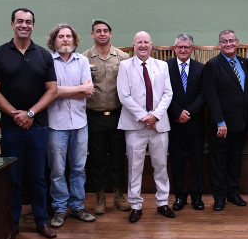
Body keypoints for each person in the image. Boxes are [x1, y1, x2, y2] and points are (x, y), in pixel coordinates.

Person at [0, 8, 58, 239]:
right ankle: (13, 221)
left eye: (28, 22)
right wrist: (16, 114)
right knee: (13, 177)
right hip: (10, 127)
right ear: (12, 24)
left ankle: (41, 220)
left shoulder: (44, 55)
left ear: (33, 26)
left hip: (37, 126)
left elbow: (52, 90)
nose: (24, 25)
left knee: (38, 176)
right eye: (20, 21)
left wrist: (30, 113)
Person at [117, 31, 175, 222]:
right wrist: (144, 116)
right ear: (134, 45)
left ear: (151, 45)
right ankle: (135, 205)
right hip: (135, 125)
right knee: (135, 167)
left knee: (161, 165)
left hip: (159, 125)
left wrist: (155, 116)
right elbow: (124, 95)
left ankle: (162, 202)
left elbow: (168, 93)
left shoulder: (162, 65)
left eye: (146, 42)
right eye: (139, 42)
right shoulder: (125, 66)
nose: (142, 45)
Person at [44, 23, 95, 228]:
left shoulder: (82, 60)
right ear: (53, 41)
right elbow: (49, 92)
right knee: (57, 170)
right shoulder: (47, 61)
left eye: (68, 36)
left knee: (79, 168)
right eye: (60, 36)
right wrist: (76, 89)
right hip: (56, 124)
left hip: (80, 123)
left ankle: (77, 206)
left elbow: (88, 91)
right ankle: (59, 208)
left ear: (74, 40)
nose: (65, 39)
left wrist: (59, 91)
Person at [82, 19, 132, 215]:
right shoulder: (83, 58)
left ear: (110, 34)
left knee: (119, 157)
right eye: (98, 31)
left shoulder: (123, 57)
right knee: (97, 158)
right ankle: (101, 196)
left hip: (118, 115)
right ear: (92, 34)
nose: (102, 34)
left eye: (105, 31)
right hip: (94, 116)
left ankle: (119, 195)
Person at [203, 30, 248, 212]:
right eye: (224, 41)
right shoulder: (212, 65)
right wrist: (219, 121)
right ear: (219, 45)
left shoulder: (244, 63)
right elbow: (211, 96)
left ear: (237, 42)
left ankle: (233, 193)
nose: (228, 44)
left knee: (234, 161)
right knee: (218, 163)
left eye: (231, 40)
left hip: (241, 123)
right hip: (221, 126)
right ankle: (219, 197)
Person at [166, 33, 206, 211]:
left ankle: (197, 197)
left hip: (195, 123)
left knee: (197, 163)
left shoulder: (201, 68)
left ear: (192, 49)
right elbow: (162, 93)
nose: (183, 50)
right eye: (179, 47)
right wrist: (177, 112)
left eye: (186, 47)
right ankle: (180, 196)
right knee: (177, 163)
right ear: (174, 48)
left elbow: (204, 94)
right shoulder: (165, 67)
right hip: (174, 124)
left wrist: (188, 112)